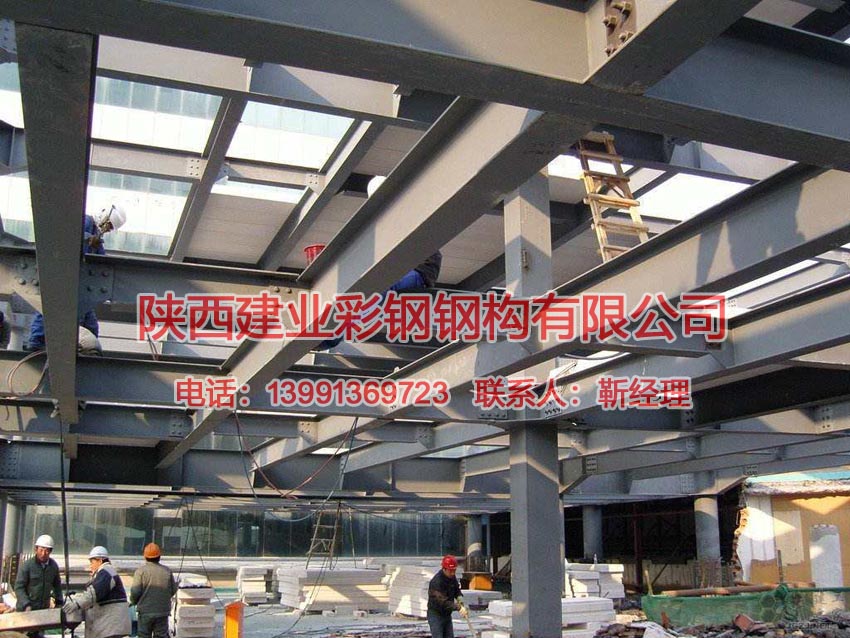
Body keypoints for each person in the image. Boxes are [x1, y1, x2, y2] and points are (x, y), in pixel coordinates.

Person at [26, 204, 127, 351]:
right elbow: (68, 240)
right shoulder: (84, 222)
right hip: (61, 278)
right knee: (48, 310)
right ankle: (36, 344)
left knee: (89, 323)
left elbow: (101, 258)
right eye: (109, 225)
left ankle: (87, 350)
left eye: (111, 228)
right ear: (104, 217)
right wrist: (88, 239)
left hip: (78, 286)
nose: (108, 229)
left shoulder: (96, 234)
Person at [63, 546, 131, 638]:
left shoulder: (106, 572)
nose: (90, 565)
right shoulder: (107, 572)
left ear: (100, 560)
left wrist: (77, 604)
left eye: (92, 562)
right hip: (111, 626)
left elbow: (93, 593)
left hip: (110, 627)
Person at [15, 534, 64, 631]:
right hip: (26, 611)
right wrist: (26, 604)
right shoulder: (27, 566)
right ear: (36, 549)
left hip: (42, 610)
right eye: (41, 550)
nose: (43, 553)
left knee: (39, 633)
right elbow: (19, 587)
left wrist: (59, 602)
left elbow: (57, 586)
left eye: (46, 551)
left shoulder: (53, 566)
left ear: (50, 551)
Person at [129, 543, 176, 638]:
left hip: (145, 612)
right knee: (161, 635)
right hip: (162, 611)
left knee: (144, 635)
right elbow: (173, 590)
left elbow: (135, 592)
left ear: (145, 557)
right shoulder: (167, 571)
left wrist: (133, 602)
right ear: (159, 556)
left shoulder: (140, 572)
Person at [427, 555, 468, 638]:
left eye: (454, 570)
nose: (453, 573)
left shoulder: (452, 577)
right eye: (450, 571)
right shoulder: (437, 582)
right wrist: (459, 607)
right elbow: (442, 602)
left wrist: (460, 598)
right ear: (444, 569)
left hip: (446, 614)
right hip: (436, 614)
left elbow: (456, 589)